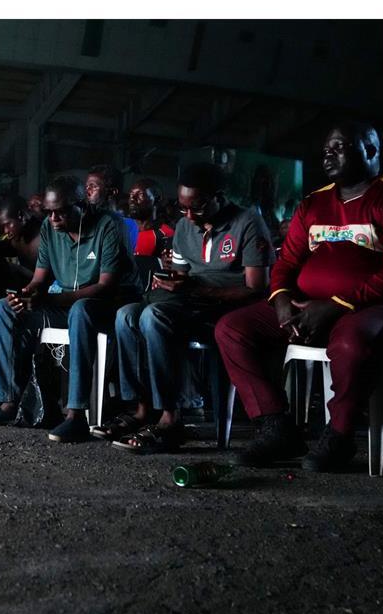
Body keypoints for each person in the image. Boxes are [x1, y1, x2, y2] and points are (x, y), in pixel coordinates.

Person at [214, 122, 383, 472]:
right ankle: (275, 426)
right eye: (326, 148)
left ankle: (340, 436)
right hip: (306, 306)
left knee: (351, 344)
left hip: (374, 307)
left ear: (371, 151)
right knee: (231, 329)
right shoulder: (314, 203)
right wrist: (282, 300)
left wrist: (334, 306)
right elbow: (286, 261)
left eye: (340, 146)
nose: (328, 153)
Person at [0, 175, 140, 442]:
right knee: (4, 309)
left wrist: (49, 300)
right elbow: (39, 279)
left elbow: (105, 287)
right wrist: (26, 295)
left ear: (82, 206)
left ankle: (76, 415)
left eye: (62, 211)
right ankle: (7, 403)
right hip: (69, 305)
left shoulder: (108, 226)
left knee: (81, 310)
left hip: (109, 307)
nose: (54, 218)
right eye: (49, 212)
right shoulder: (49, 228)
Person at [106, 162, 275, 452]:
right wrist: (171, 281)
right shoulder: (185, 226)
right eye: (182, 207)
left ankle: (171, 419)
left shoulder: (247, 222)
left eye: (196, 208)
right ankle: (142, 409)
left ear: (217, 197)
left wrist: (197, 289)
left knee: (153, 317)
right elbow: (183, 275)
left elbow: (255, 290)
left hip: (225, 311)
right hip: (189, 303)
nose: (187, 216)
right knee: (125, 315)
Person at [85, 164, 139, 251]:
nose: (87, 192)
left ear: (113, 192)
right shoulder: (85, 221)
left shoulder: (127, 225)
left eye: (93, 187)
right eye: (87, 187)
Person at [126, 179, 173, 259]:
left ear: (156, 199)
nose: (132, 199)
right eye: (131, 194)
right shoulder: (120, 229)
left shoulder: (167, 235)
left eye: (140, 195)